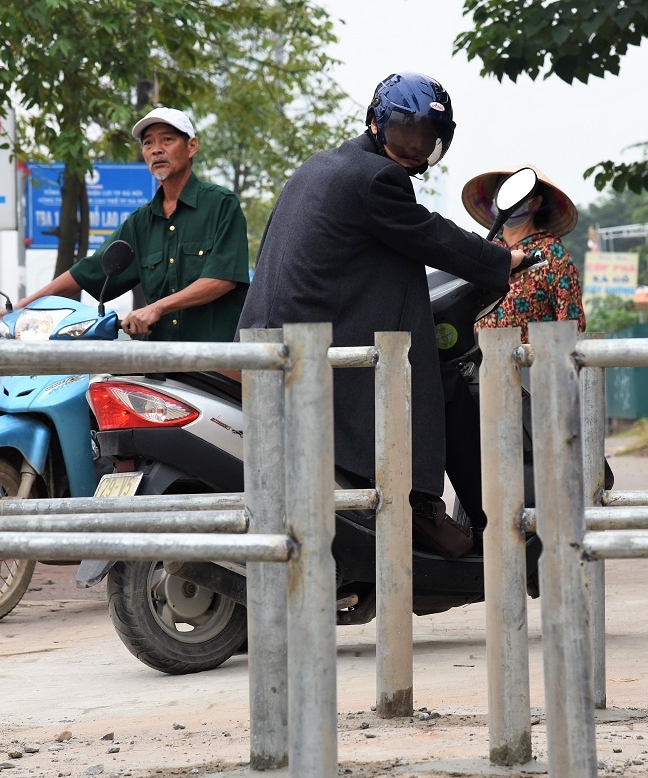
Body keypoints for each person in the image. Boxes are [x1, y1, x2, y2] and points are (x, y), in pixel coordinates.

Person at [237, 72, 529, 558]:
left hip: (281, 332)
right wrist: (503, 259)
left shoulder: (323, 165)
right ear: (375, 125)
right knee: (427, 376)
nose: (413, 151)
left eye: (425, 140)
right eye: (404, 134)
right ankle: (416, 504)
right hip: (321, 337)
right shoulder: (376, 177)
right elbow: (430, 234)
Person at [0, 108, 249, 342]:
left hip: (216, 363)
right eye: (148, 143)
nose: (156, 149)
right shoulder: (140, 222)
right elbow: (84, 273)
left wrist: (157, 308)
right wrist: (17, 308)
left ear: (191, 146)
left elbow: (221, 279)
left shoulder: (221, 204)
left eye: (167, 140)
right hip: (163, 365)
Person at [465, 164, 585, 342]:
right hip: (481, 363)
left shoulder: (553, 253)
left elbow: (571, 322)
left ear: (536, 202)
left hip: (533, 364)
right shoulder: (487, 248)